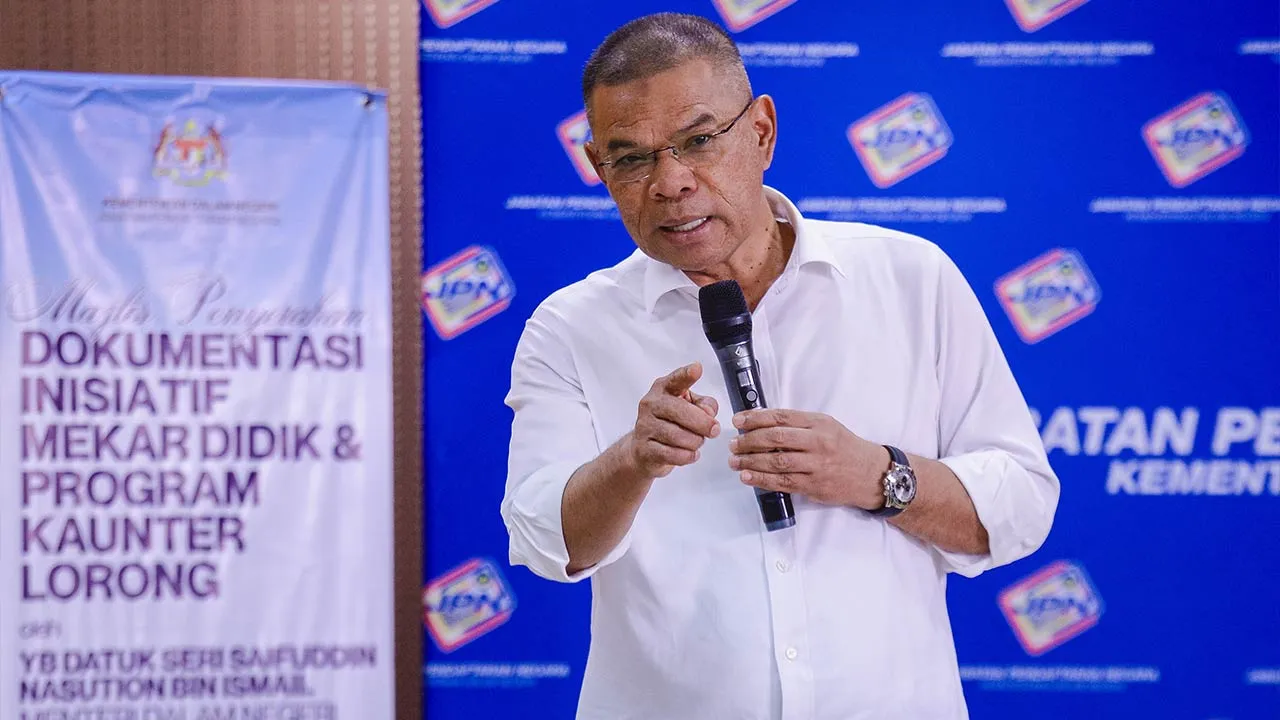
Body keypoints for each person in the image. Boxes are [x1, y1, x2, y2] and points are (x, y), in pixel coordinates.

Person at [500, 12, 1059, 720]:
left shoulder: (910, 279)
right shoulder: (570, 327)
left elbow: (1021, 507)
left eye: (698, 141)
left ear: (761, 131)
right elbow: (545, 542)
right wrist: (631, 463)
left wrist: (877, 474)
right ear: (598, 167)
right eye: (632, 158)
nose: (670, 182)